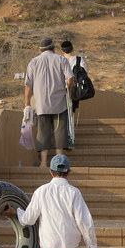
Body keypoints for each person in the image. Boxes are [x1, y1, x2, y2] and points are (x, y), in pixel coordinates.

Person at [24, 38, 75, 168]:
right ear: (54, 48)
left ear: (40, 50)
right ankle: (59, 163)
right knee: (60, 132)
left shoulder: (33, 62)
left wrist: (27, 104)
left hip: (41, 104)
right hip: (59, 103)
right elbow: (70, 78)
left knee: (43, 133)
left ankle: (43, 163)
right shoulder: (61, 59)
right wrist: (68, 91)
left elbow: (28, 86)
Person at [60, 40, 87, 136]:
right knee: (71, 112)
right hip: (75, 90)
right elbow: (85, 71)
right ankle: (71, 134)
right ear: (73, 49)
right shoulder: (78, 60)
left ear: (62, 52)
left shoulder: (59, 60)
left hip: (61, 90)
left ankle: (64, 133)